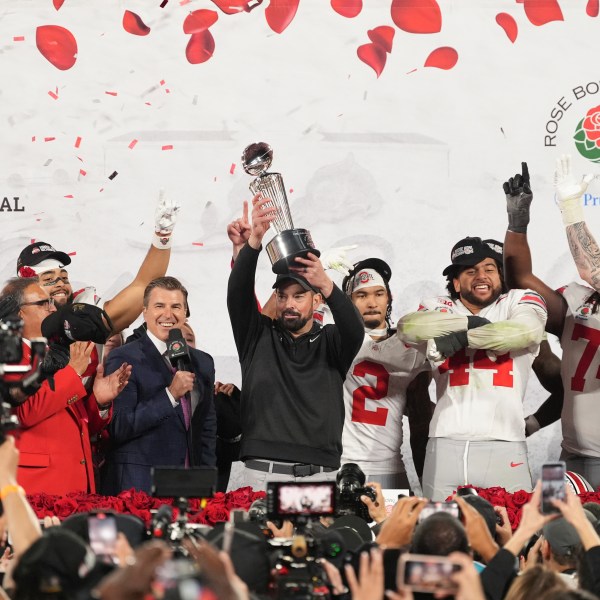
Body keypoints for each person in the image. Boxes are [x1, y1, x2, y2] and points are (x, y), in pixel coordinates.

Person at [227, 194, 364, 490]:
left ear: (316, 300)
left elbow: (355, 329)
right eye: (283, 295)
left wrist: (327, 283)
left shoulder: (331, 342)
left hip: (319, 475)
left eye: (298, 295)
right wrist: (253, 245)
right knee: (260, 539)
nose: (288, 303)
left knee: (316, 540)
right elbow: (237, 295)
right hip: (262, 473)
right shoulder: (257, 336)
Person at [397, 236, 547, 500]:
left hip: (505, 439)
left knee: (513, 531)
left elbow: (527, 331)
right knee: (442, 533)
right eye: (470, 270)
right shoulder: (437, 305)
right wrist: (472, 323)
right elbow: (409, 329)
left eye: (489, 268)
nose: (481, 275)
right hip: (445, 440)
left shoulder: (519, 299)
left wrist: (462, 337)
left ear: (501, 275)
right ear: (456, 281)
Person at [503, 158, 600, 490]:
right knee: (558, 538)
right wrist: (518, 222)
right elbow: (520, 280)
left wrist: (572, 209)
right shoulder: (579, 301)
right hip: (574, 456)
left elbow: (593, 270)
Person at [0, 278, 130, 495]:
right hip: (37, 488)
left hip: (75, 484)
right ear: (19, 313)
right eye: (43, 303)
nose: (53, 308)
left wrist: (99, 401)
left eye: (52, 302)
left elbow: (73, 423)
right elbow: (25, 412)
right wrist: (73, 373)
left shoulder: (56, 351)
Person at [99, 276, 216, 495]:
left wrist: (207, 480)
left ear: (185, 313)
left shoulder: (203, 362)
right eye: (159, 306)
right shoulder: (124, 357)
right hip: (139, 485)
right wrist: (170, 395)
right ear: (144, 312)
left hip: (189, 485)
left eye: (176, 307)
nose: (168, 314)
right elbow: (118, 427)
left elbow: (207, 429)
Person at [15, 191, 179, 334]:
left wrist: (162, 236)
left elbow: (144, 285)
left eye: (64, 277)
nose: (60, 284)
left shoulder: (83, 313)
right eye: (48, 278)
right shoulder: (8, 331)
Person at [340, 258, 433, 490]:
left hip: (390, 468)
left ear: (389, 297)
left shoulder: (412, 346)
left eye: (378, 294)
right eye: (361, 296)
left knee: (396, 527)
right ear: (348, 301)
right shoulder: (334, 340)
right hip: (339, 467)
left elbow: (420, 424)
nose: (371, 302)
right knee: (338, 528)